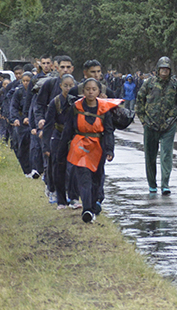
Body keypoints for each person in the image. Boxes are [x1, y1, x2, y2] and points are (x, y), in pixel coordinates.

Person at [60, 78, 123, 223]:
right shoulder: (75, 107)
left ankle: (93, 206)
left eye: (94, 89)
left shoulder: (104, 108)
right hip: (80, 145)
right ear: (83, 91)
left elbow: (108, 131)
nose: (90, 92)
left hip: (98, 147)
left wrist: (109, 150)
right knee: (84, 177)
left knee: (96, 178)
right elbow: (68, 129)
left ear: (98, 92)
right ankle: (87, 209)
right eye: (87, 89)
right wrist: (61, 150)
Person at [135, 56, 177, 195]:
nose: (164, 71)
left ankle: (165, 184)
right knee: (150, 156)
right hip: (150, 124)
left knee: (166, 155)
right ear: (158, 69)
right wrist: (143, 120)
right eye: (162, 69)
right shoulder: (149, 83)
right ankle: (152, 184)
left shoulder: (175, 85)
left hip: (169, 125)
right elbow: (139, 100)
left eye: (167, 69)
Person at [43, 74, 77, 209]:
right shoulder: (55, 102)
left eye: (71, 86)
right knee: (58, 168)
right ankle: (61, 201)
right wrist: (46, 145)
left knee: (73, 168)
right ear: (60, 86)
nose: (68, 88)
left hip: (73, 138)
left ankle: (74, 198)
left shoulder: (78, 102)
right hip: (58, 136)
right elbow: (48, 125)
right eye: (65, 86)